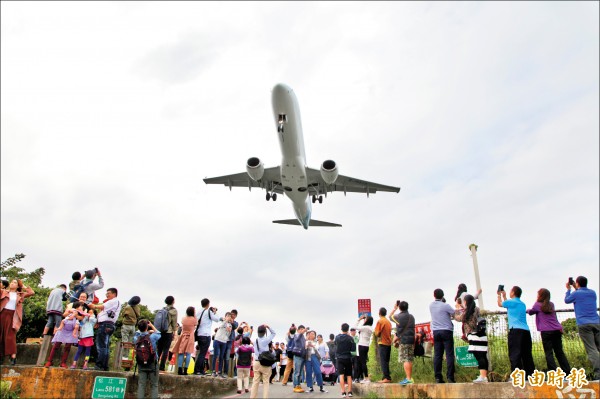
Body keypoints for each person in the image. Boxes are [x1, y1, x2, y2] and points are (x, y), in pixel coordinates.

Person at [565, 276, 600, 381]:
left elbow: (567, 300)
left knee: (592, 350)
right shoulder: (592, 293)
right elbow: (582, 295)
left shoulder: (576, 294)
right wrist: (577, 287)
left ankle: (598, 374)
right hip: (597, 322)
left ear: (577, 283)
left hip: (584, 324)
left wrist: (568, 289)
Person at [527, 288, 571, 373]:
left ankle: (553, 372)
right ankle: (567, 372)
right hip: (556, 329)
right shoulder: (551, 304)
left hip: (546, 331)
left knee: (549, 353)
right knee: (559, 352)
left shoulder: (537, 304)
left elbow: (531, 312)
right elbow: (554, 316)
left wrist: (528, 310)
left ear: (540, 295)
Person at [498, 285, 535, 377]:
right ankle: (529, 374)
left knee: (515, 353)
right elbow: (508, 305)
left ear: (513, 292)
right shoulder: (522, 304)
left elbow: (500, 304)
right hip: (525, 331)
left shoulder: (511, 302)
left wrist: (499, 295)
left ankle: (517, 375)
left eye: (511, 291)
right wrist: (505, 296)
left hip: (516, 331)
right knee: (526, 354)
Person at [0, 279, 35, 365]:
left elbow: (31, 293)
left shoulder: (20, 294)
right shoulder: (4, 292)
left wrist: (23, 286)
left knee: (11, 335)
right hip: (2, 313)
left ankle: (13, 356)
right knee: (1, 334)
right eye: (11, 282)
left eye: (15, 282)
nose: (12, 283)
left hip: (13, 315)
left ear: (17, 286)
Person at [455, 295, 489, 382]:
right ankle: (484, 376)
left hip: (474, 336)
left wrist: (455, 311)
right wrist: (462, 307)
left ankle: (483, 376)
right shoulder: (476, 309)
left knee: (479, 356)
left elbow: (459, 318)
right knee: (483, 355)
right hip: (481, 334)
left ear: (466, 302)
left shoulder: (467, 312)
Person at [89, 287, 122, 371]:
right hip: (108, 324)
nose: (107, 295)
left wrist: (93, 306)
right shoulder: (113, 302)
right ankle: (104, 366)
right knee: (105, 346)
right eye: (106, 293)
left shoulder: (113, 301)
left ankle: (99, 365)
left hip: (105, 325)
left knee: (101, 346)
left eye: (109, 293)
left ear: (114, 294)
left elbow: (102, 306)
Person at [44, 300, 82, 368]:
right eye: (80, 306)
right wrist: (71, 312)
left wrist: (76, 315)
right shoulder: (70, 309)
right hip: (63, 329)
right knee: (56, 345)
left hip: (71, 330)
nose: (81, 308)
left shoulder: (81, 312)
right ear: (77, 306)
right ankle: (49, 361)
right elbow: (64, 314)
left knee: (68, 347)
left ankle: (63, 362)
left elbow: (81, 318)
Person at [430, 288, 456, 383]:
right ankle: (450, 377)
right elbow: (454, 313)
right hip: (446, 331)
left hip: (436, 332)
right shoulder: (446, 306)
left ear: (434, 295)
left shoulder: (431, 306)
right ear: (443, 296)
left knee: (437, 355)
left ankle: (438, 377)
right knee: (449, 354)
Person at [133, 319, 161, 399]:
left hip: (141, 364)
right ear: (147, 327)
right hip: (152, 363)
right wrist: (151, 325)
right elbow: (159, 333)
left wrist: (142, 328)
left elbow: (137, 333)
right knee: (154, 385)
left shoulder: (136, 338)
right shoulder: (152, 337)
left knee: (141, 385)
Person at [390, 301, 415, 385]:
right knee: (409, 359)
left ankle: (408, 379)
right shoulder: (412, 317)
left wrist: (394, 308)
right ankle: (409, 378)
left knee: (406, 360)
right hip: (411, 340)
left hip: (404, 341)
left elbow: (390, 317)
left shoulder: (398, 317)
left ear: (400, 308)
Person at [193, 298, 220, 375]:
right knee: (203, 353)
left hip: (199, 333)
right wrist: (214, 312)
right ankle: (197, 370)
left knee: (201, 352)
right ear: (208, 304)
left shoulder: (198, 311)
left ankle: (201, 370)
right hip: (206, 334)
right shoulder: (208, 311)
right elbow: (217, 319)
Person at [250, 324, 276, 399]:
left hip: (257, 362)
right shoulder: (266, 340)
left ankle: (252, 397)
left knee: (255, 382)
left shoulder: (255, 341)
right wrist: (268, 327)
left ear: (258, 332)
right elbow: (274, 333)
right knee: (266, 382)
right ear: (265, 332)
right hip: (265, 363)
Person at [172, 306, 197, 375]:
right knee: (188, 353)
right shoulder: (194, 319)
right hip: (190, 336)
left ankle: (180, 369)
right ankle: (186, 370)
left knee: (181, 353)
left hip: (183, 336)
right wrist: (194, 316)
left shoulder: (183, 319)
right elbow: (196, 324)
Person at [70, 303, 96, 370]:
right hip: (82, 337)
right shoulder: (84, 320)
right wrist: (84, 314)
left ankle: (85, 364)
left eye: (91, 313)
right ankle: (74, 363)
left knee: (87, 352)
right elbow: (82, 320)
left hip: (88, 336)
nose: (90, 313)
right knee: (79, 350)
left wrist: (89, 315)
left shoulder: (93, 320)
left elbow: (92, 319)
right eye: (89, 312)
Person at [157, 296, 178, 372]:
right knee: (166, 349)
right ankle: (162, 367)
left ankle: (155, 365)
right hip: (168, 331)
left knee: (159, 349)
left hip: (160, 331)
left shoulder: (162, 309)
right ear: (173, 301)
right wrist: (174, 331)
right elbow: (174, 322)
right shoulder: (174, 311)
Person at [335, 323, 354, 398]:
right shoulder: (350, 338)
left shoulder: (337, 337)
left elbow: (336, 345)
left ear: (341, 328)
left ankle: (343, 392)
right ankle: (350, 392)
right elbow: (353, 349)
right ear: (348, 329)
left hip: (339, 358)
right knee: (349, 376)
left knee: (341, 375)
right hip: (348, 358)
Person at [373, 307, 392, 383]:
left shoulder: (380, 321)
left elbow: (377, 333)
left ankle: (386, 377)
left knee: (383, 361)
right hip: (388, 343)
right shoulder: (388, 322)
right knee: (386, 361)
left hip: (382, 343)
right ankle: (387, 377)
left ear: (379, 313)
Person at [212, 312, 233, 378]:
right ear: (225, 316)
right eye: (228, 316)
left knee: (221, 356)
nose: (229, 317)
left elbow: (228, 335)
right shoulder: (222, 321)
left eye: (230, 316)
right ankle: (213, 371)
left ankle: (220, 372)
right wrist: (225, 320)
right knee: (216, 355)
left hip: (224, 341)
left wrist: (229, 331)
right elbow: (220, 327)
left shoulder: (230, 325)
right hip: (217, 339)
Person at [354, 316, 373, 384]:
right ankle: (361, 377)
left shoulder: (365, 327)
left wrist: (359, 319)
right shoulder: (370, 328)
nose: (364, 320)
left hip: (361, 345)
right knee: (362, 362)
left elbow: (355, 327)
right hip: (366, 346)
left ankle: (366, 378)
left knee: (362, 362)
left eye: (365, 319)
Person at [291, 325, 307, 393]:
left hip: (303, 356)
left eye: (304, 330)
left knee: (300, 372)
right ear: (299, 330)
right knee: (297, 372)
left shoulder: (303, 337)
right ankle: (295, 386)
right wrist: (301, 333)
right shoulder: (296, 335)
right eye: (302, 329)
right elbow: (297, 340)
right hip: (297, 356)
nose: (303, 331)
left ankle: (298, 385)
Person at [224, 309, 239, 377]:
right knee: (222, 356)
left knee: (227, 356)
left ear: (235, 316)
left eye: (233, 314)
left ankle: (226, 372)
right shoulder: (225, 320)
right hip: (223, 339)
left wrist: (231, 320)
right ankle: (220, 371)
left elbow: (234, 326)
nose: (232, 315)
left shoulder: (235, 323)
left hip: (230, 341)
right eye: (231, 314)